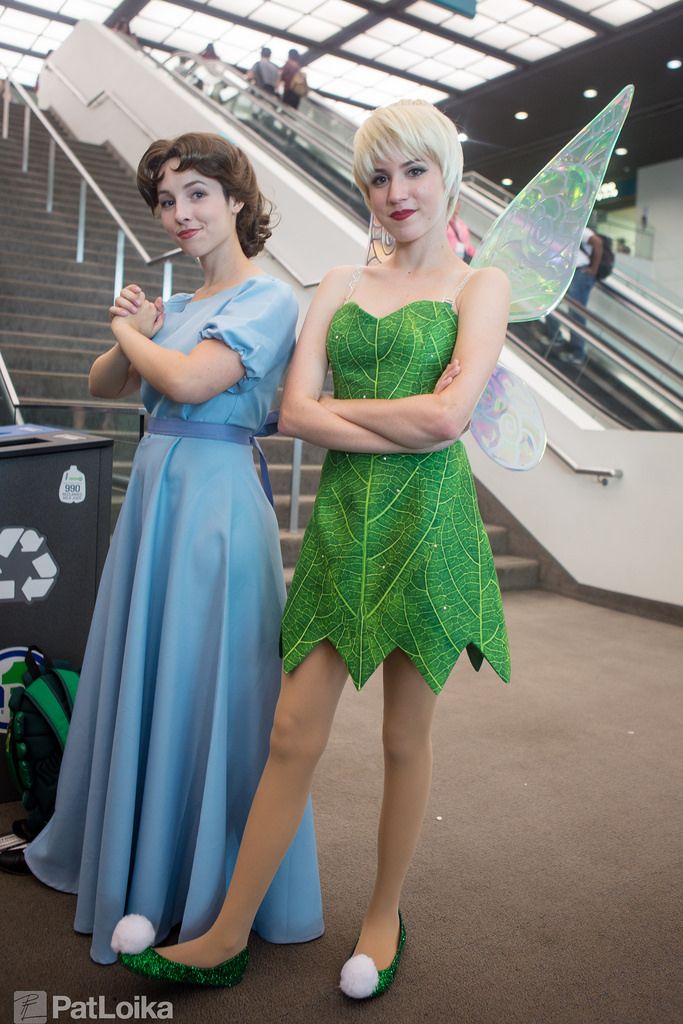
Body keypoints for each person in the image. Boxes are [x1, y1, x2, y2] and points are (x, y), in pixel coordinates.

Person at [117, 101, 511, 998]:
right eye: (377, 175)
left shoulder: (479, 287)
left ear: (445, 173)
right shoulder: (334, 284)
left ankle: (382, 917)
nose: (394, 191)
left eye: (412, 170)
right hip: (341, 525)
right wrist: (405, 423)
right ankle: (223, 934)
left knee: (406, 740)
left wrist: (371, 420)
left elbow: (448, 420)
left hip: (428, 528)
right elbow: (292, 416)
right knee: (290, 732)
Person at [17, 132, 323, 964]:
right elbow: (104, 384)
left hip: (216, 503)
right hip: (157, 494)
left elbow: (188, 384)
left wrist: (134, 329)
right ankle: (136, 866)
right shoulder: (181, 308)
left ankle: (209, 883)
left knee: (212, 684)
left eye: (196, 193)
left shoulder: (268, 298)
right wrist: (138, 331)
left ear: (234, 200)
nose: (180, 212)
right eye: (165, 199)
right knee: (151, 676)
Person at [545, 226, 603, 365]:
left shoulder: (576, 226)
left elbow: (597, 242)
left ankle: (578, 352)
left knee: (576, 312)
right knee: (550, 301)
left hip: (580, 272)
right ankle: (555, 337)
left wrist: (593, 269)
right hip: (565, 271)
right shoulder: (557, 228)